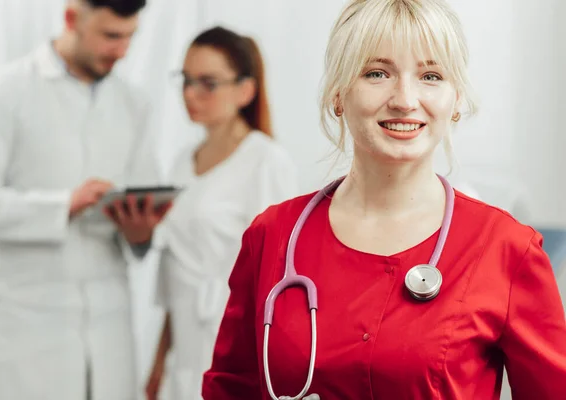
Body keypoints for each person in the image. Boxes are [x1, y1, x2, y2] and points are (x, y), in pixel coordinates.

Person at [201, 1, 566, 399]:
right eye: (377, 73)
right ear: (338, 94)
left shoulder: (506, 248)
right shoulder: (273, 236)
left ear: (455, 99)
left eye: (431, 75)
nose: (405, 99)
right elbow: (230, 389)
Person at [0, 1, 169, 399]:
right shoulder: (6, 91)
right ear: (72, 18)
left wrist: (140, 233)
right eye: (111, 36)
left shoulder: (134, 103)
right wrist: (64, 205)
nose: (123, 50)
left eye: (130, 37)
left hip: (111, 328)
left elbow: (146, 205)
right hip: (32, 330)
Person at [145, 26, 299, 400]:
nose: (190, 94)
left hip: (234, 344)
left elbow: (281, 274)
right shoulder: (183, 163)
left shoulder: (265, 161)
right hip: (185, 345)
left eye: (207, 83)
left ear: (246, 90)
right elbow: (177, 270)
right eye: (185, 80)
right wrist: (159, 361)